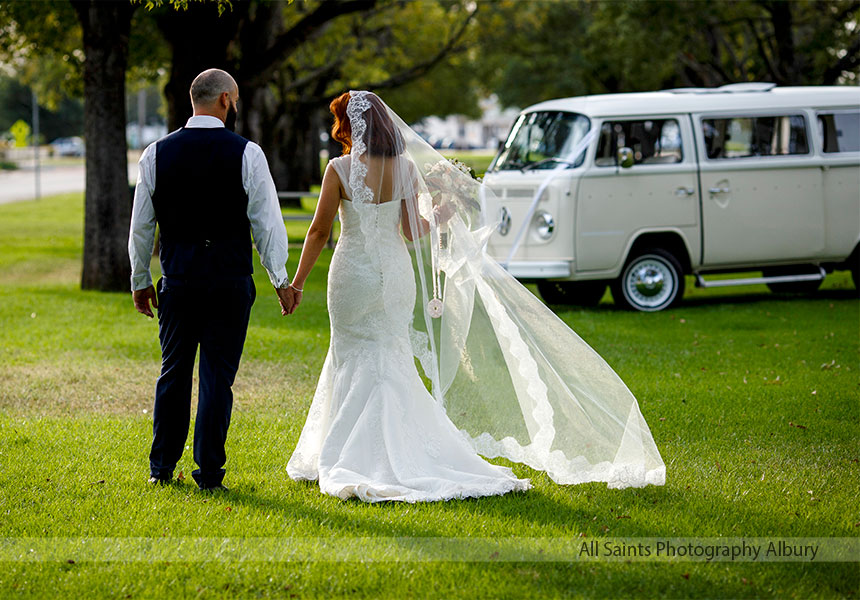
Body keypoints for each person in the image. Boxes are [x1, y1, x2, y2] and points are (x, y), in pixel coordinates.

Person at [286, 91, 666, 503]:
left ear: (350, 125)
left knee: (352, 352)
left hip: (353, 274)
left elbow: (320, 231)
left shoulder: (339, 169)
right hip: (394, 276)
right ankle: (395, 446)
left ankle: (348, 451)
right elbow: (414, 234)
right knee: (390, 356)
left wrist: (298, 282)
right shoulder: (406, 169)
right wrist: (443, 215)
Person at [128, 68, 295, 492]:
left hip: (178, 280)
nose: (236, 107)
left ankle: (161, 466)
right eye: (235, 100)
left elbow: (141, 228)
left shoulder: (155, 154)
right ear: (225, 100)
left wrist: (140, 280)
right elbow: (268, 224)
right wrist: (280, 279)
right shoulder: (247, 153)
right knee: (218, 376)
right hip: (229, 281)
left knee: (173, 372)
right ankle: (209, 473)